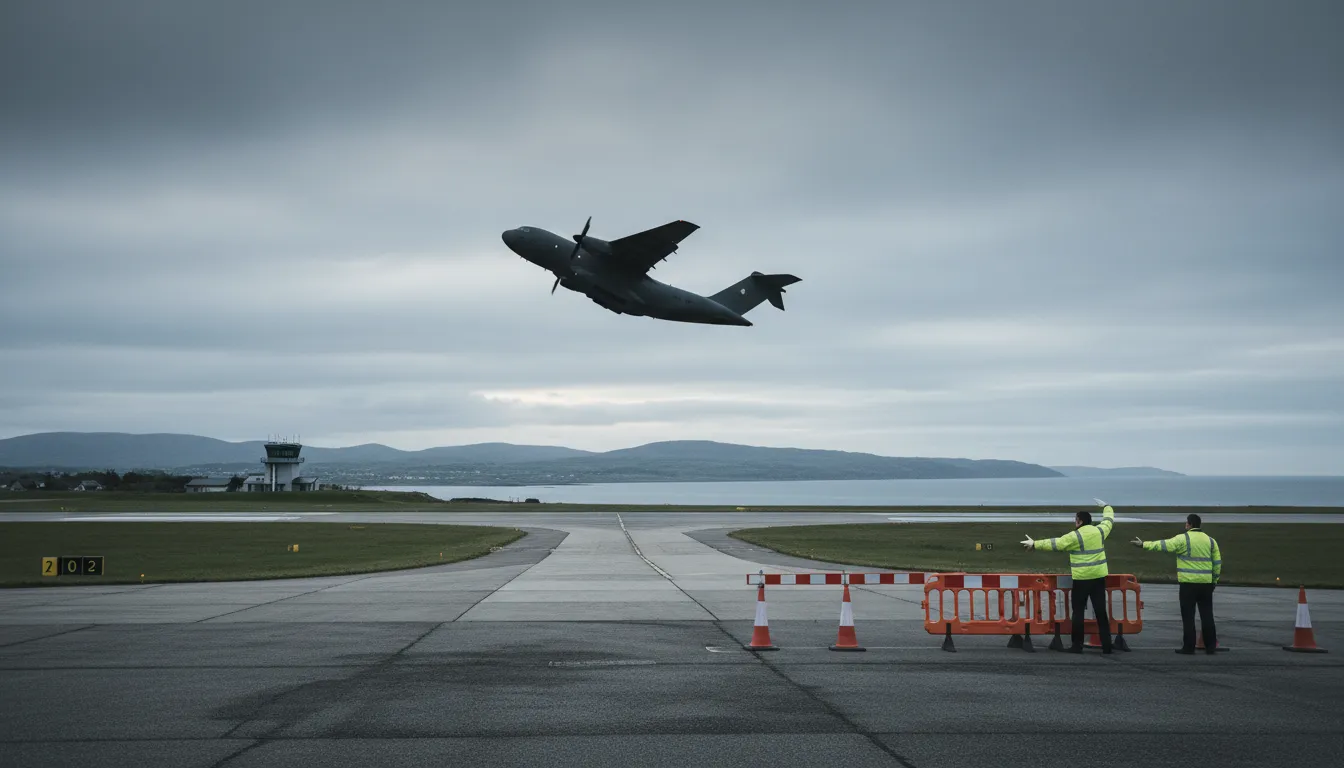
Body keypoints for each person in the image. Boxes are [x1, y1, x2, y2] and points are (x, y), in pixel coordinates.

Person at [1022, 499, 1116, 653]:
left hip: (1082, 579)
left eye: (1076, 520)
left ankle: (1077, 645)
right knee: (1101, 612)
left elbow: (1056, 543)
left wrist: (1035, 544)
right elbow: (1109, 520)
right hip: (1099, 578)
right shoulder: (1100, 531)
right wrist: (1107, 506)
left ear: (1079, 521)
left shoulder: (1075, 536)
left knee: (1078, 612)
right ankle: (1107, 645)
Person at [1131, 513, 1222, 654]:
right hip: (1206, 584)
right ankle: (1210, 647)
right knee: (1207, 616)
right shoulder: (1211, 541)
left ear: (1189, 524)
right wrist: (1214, 581)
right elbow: (1217, 563)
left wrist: (1144, 545)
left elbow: (1163, 545)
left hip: (1188, 584)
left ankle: (1189, 647)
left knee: (1188, 617)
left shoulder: (1183, 539)